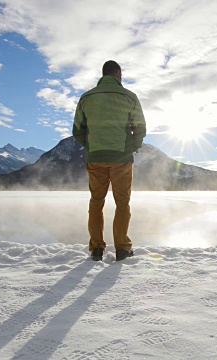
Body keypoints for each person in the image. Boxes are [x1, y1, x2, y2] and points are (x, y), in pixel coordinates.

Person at [72, 60, 146, 261]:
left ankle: (96, 248)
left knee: (96, 202)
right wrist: (131, 147)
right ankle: (122, 248)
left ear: (103, 75)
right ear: (118, 75)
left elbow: (77, 131)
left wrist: (93, 146)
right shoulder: (129, 97)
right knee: (122, 203)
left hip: (96, 158)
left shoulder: (86, 97)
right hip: (121, 159)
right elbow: (140, 128)